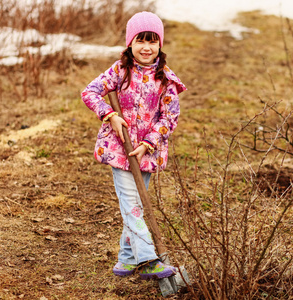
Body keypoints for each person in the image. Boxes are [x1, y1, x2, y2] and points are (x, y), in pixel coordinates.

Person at [81, 11, 186, 280]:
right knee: (133, 205)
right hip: (120, 150)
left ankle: (126, 260)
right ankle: (148, 259)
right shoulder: (120, 71)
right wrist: (110, 114)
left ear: (160, 44)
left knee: (137, 203)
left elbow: (169, 116)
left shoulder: (166, 80)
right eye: (140, 40)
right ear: (130, 43)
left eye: (152, 41)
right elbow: (90, 92)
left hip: (146, 153)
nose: (146, 47)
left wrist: (149, 144)